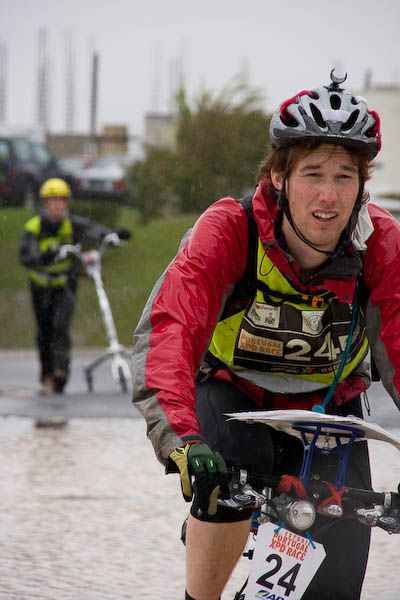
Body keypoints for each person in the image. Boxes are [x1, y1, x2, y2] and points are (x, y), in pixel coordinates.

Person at [131, 71, 400, 600]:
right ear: (278, 176)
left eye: (345, 177)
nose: (329, 195)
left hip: (328, 414)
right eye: (313, 174)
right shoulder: (229, 229)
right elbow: (170, 334)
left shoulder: (380, 243)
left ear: (362, 185)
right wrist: (182, 441)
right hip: (232, 396)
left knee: (344, 561)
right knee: (229, 466)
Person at [19, 177, 116, 395]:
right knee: (44, 331)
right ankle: (46, 375)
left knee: (60, 326)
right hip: (41, 286)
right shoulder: (34, 227)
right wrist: (45, 256)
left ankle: (60, 373)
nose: (58, 205)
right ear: (45, 203)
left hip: (65, 284)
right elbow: (26, 256)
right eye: (53, 201)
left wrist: (111, 235)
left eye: (61, 200)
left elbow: (93, 229)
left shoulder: (70, 223)